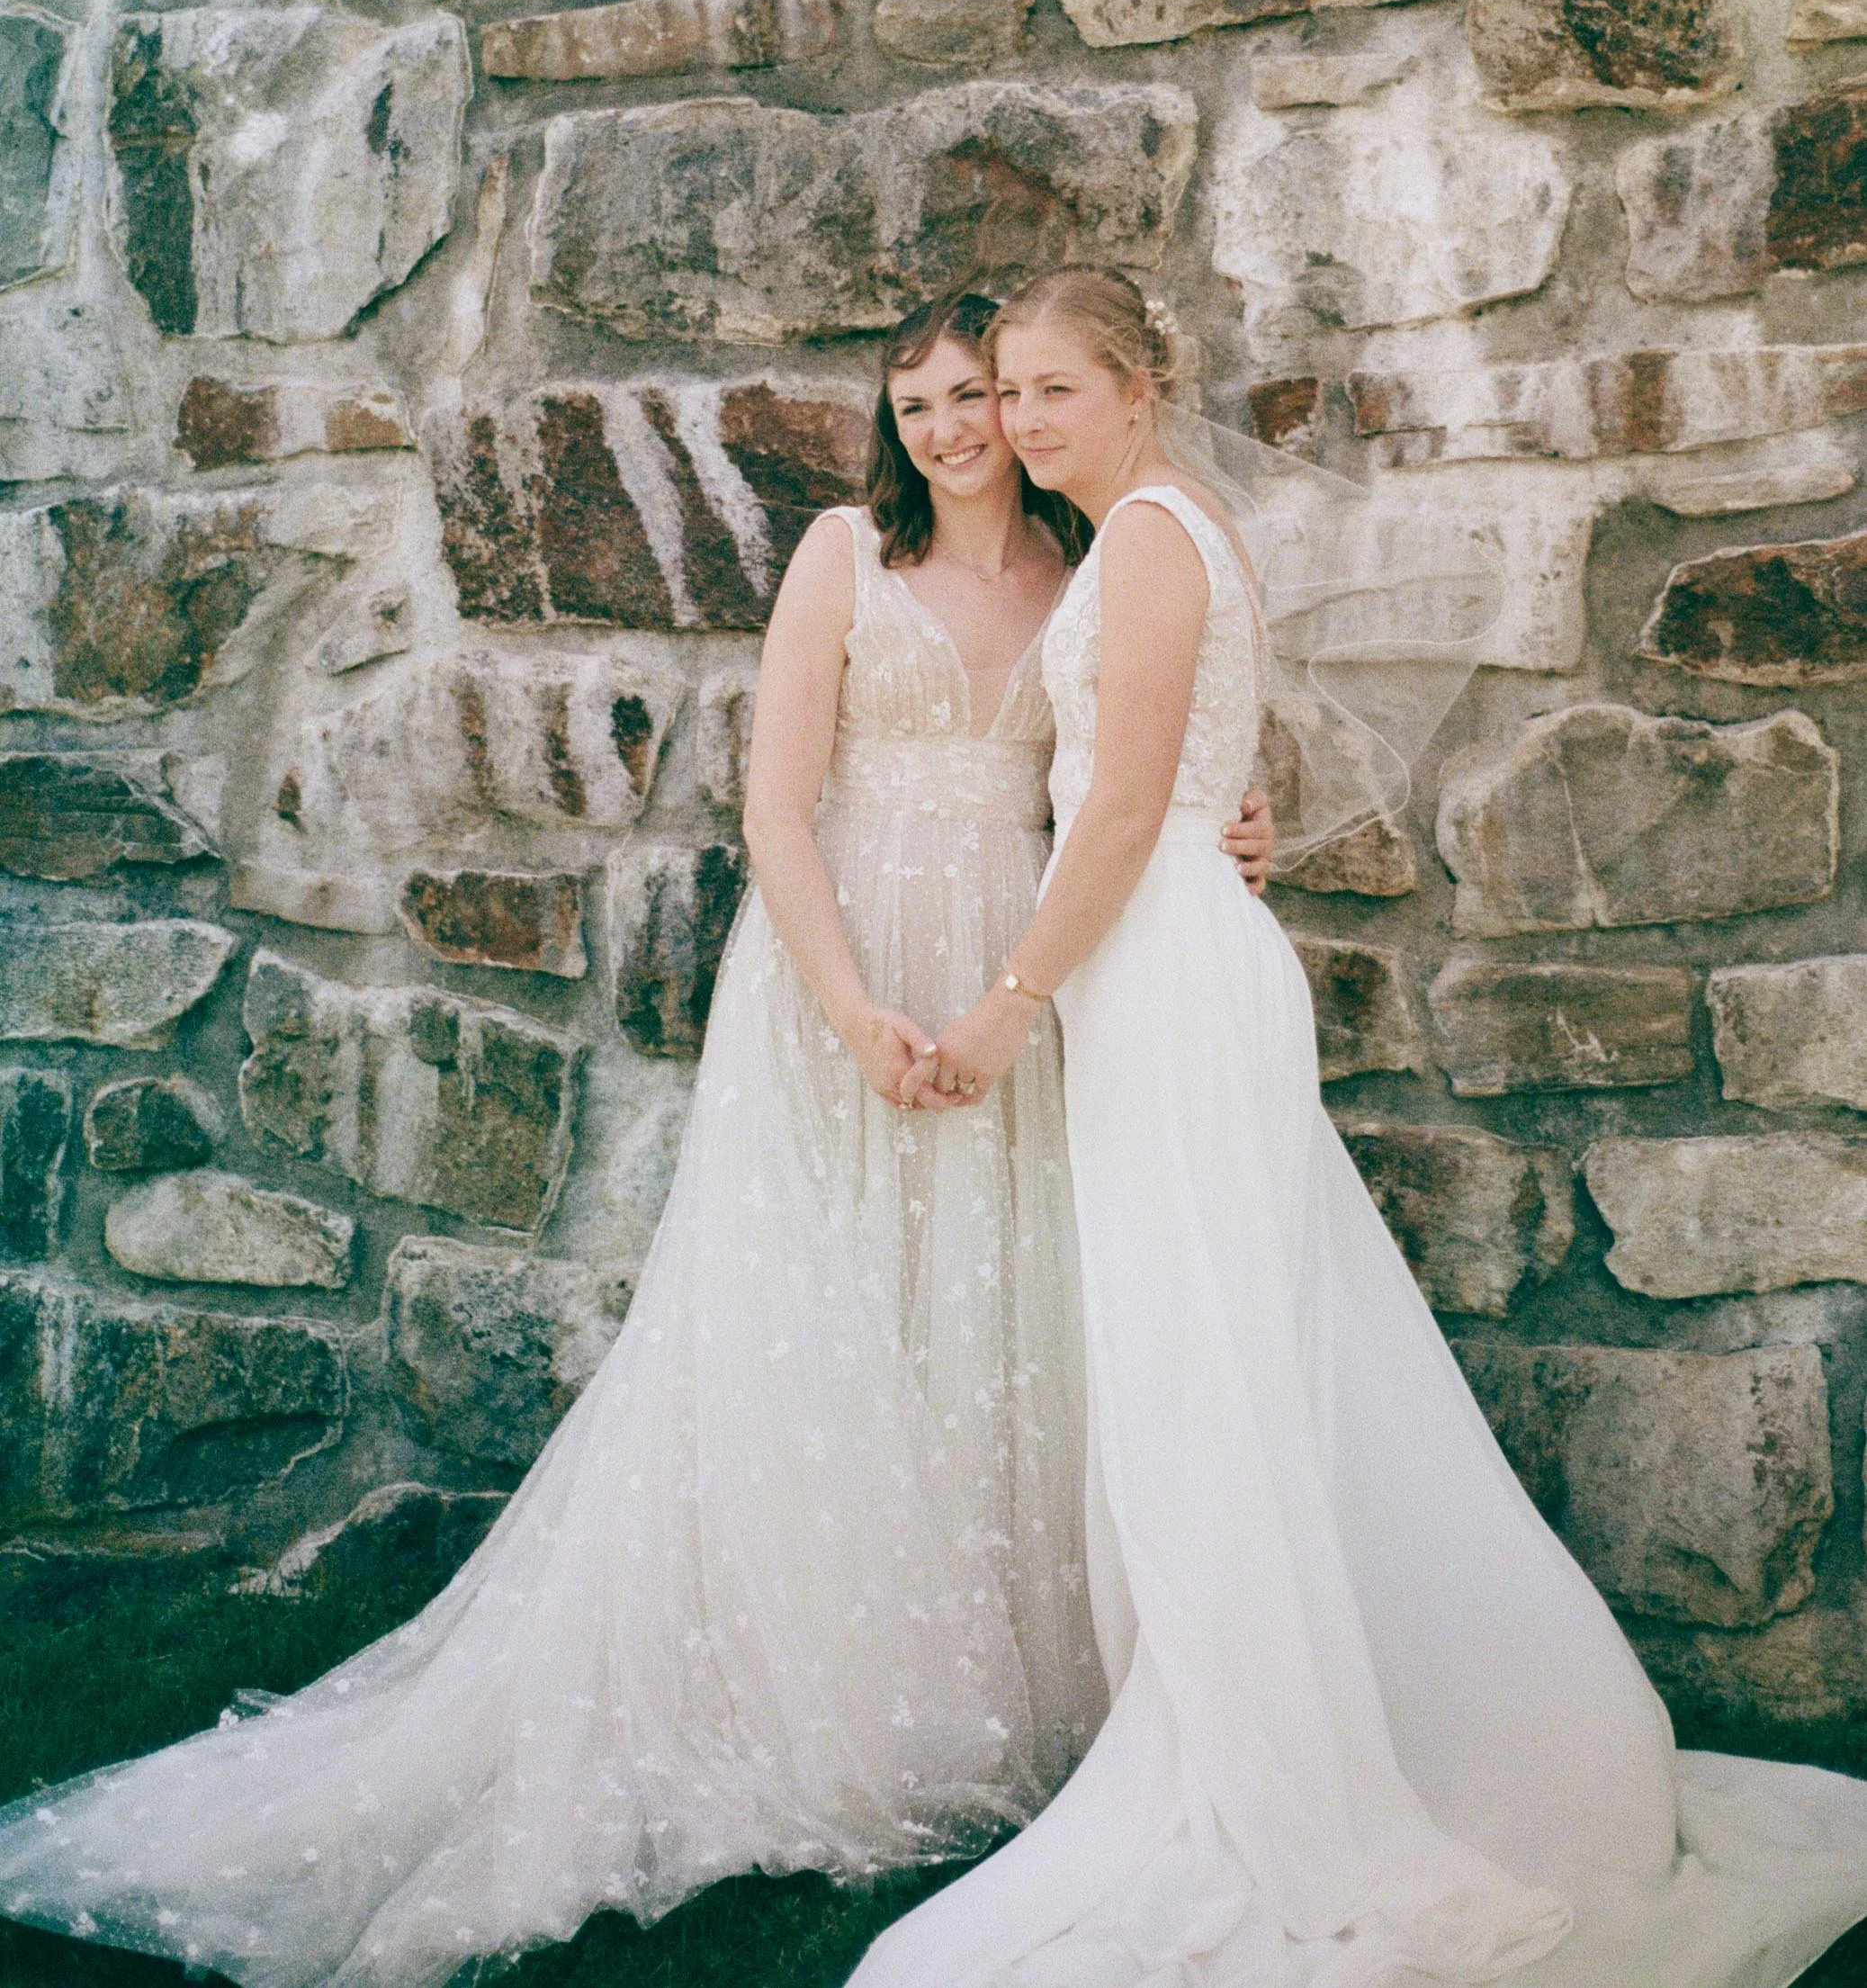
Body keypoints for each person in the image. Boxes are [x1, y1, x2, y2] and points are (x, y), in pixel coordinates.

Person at [0, 288, 1276, 1988]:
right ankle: (802, 1672)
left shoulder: (1084, 570)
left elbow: (1116, 769)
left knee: (991, 1301)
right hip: (842, 963)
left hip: (1011, 955)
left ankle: (994, 1670)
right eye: (921, 407)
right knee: (811, 1316)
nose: (960, 429)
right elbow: (773, 801)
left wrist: (1222, 827)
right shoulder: (843, 555)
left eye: (983, 395)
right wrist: (840, 1002)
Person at [853, 265, 1867, 1988]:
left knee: (1221, 1370)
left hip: (1155, 976)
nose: (1015, 423)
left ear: (1136, 389)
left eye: (1046, 390)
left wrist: (1010, 997)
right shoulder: (1138, 541)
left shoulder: (1157, 536)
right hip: (1156, 957)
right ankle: (1267, 1720)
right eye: (999, 394)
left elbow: (1114, 805)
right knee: (1233, 1365)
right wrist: (1198, 844)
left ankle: (1325, 1780)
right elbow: (1169, 782)